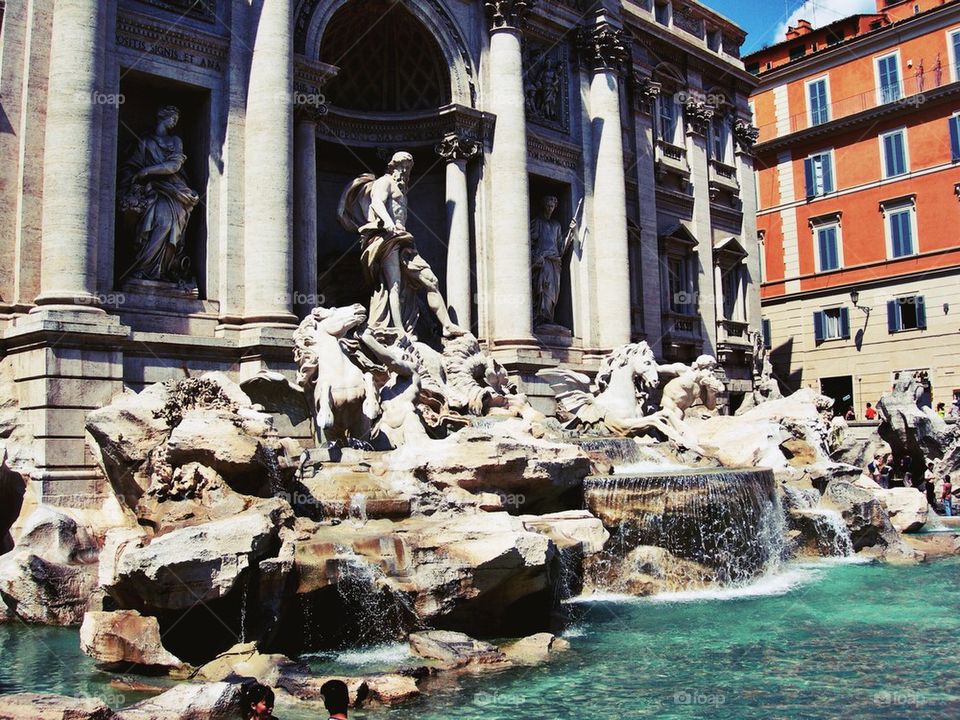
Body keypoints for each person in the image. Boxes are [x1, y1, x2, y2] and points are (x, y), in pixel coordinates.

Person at [338, 152, 464, 340]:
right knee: (394, 286)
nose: (405, 171)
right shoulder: (385, 182)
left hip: (403, 239)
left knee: (431, 280)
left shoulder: (402, 189)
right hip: (387, 237)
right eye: (402, 166)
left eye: (408, 168)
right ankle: (399, 331)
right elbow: (377, 203)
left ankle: (446, 325)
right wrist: (388, 223)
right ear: (392, 166)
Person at [118, 105, 199, 285]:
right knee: (153, 223)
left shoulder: (175, 140)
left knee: (167, 223)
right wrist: (136, 178)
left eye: (177, 119)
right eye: (173, 118)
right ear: (163, 117)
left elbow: (174, 166)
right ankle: (144, 269)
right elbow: (131, 166)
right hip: (152, 190)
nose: (175, 122)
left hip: (175, 191)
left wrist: (147, 171)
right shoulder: (145, 141)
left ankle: (163, 270)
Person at [530, 195, 578, 328]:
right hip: (543, 261)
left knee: (552, 293)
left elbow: (561, 247)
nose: (551, 208)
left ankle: (548, 317)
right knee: (543, 289)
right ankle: (541, 318)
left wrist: (571, 231)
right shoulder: (537, 222)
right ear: (544, 205)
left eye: (553, 206)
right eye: (548, 205)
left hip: (555, 262)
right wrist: (535, 257)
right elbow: (529, 242)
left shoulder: (556, 225)